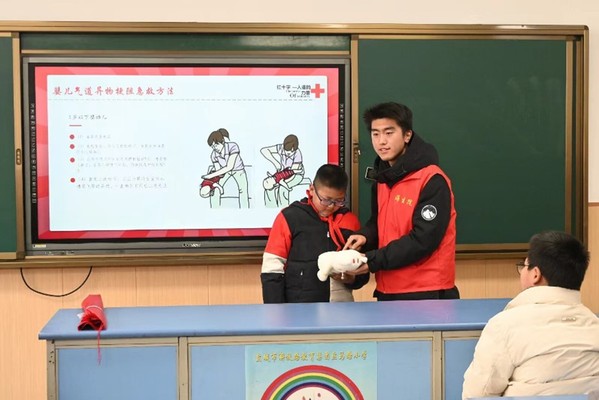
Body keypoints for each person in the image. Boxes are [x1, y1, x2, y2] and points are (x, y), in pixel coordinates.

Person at [462, 231, 599, 399]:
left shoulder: (504, 326)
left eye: (524, 266)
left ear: (535, 274)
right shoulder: (594, 326)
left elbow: (477, 394)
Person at [344, 102, 459, 301]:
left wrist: (372, 260)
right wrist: (365, 237)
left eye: (389, 133)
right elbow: (378, 222)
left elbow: (423, 240)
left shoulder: (432, 180)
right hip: (388, 290)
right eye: (375, 134)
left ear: (407, 135)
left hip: (427, 293)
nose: (381, 141)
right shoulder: (382, 179)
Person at [260, 163, 368, 303]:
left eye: (338, 201)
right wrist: (275, 309)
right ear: (311, 190)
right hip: (298, 308)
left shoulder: (350, 221)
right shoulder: (289, 217)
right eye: (326, 200)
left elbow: (363, 270)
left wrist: (351, 279)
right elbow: (272, 267)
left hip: (341, 308)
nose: (331, 206)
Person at [202, 128, 249, 208]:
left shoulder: (233, 146)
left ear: (222, 142)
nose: (215, 148)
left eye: (216, 145)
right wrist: (214, 179)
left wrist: (210, 176)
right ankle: (214, 210)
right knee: (215, 190)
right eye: (212, 147)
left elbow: (229, 167)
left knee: (243, 190)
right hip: (224, 173)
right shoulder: (213, 155)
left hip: (238, 170)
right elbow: (218, 170)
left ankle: (245, 210)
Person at [261, 134, 305, 208]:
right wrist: (275, 163)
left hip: (295, 175)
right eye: (285, 151)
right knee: (268, 189)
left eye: (290, 153)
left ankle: (283, 209)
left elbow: (292, 172)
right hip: (283, 173)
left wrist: (282, 182)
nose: (287, 154)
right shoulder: (281, 148)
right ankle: (271, 208)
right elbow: (264, 150)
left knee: (282, 188)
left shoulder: (297, 154)